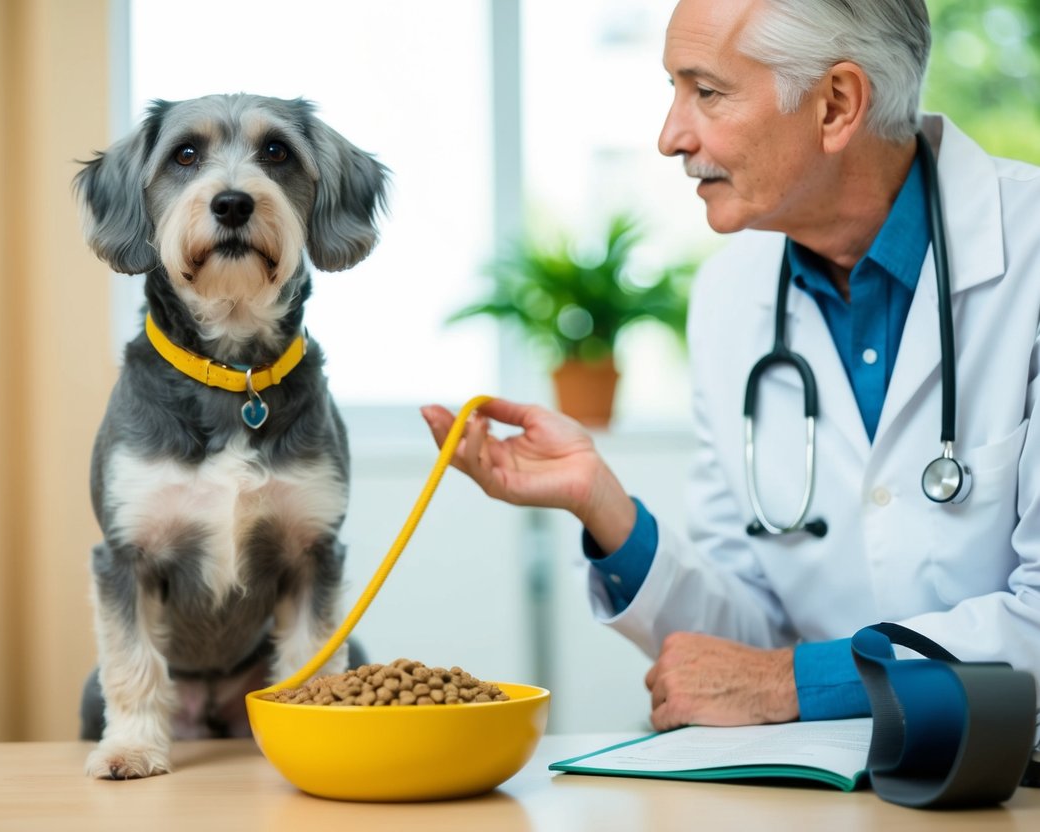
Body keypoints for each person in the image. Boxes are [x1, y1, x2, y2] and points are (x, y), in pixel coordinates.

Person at [422, 0, 1040, 737]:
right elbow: (742, 637)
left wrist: (793, 681)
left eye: (705, 92)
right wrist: (601, 504)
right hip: (823, 790)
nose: (669, 137)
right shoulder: (729, 294)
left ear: (835, 105)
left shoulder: (1026, 252)